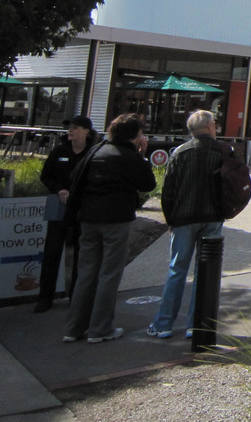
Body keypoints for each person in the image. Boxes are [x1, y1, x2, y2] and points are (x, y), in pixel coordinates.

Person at [63, 113, 156, 344]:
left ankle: (74, 328)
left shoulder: (96, 151)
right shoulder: (129, 156)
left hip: (88, 218)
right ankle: (100, 328)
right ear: (135, 136)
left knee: (86, 272)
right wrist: (141, 156)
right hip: (116, 219)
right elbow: (148, 184)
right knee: (109, 274)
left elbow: (75, 177)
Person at [147, 109, 233, 339]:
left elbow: (168, 191)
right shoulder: (223, 151)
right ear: (210, 127)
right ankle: (196, 323)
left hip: (184, 218)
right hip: (213, 217)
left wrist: (170, 219)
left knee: (177, 269)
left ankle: (163, 324)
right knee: (205, 272)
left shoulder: (180, 153)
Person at [35, 116, 99, 313]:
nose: (70, 131)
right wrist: (59, 189)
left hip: (81, 209)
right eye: (69, 128)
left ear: (86, 131)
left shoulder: (93, 153)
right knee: (52, 252)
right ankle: (45, 297)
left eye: (75, 128)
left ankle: (76, 297)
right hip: (58, 206)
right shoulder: (59, 151)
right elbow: (46, 175)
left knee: (81, 254)